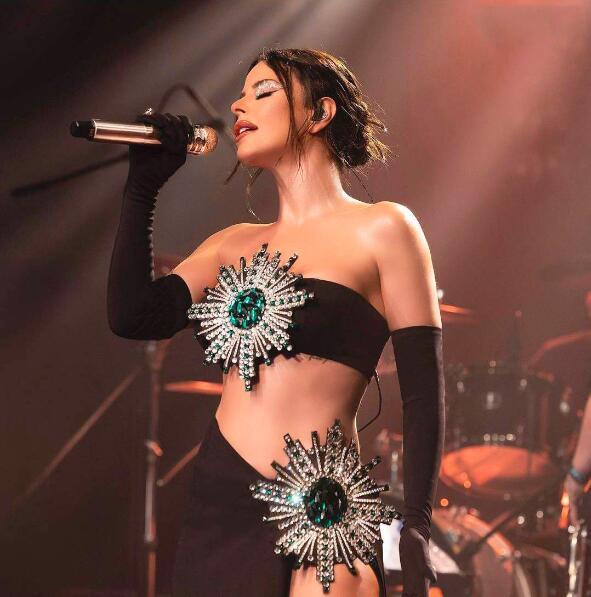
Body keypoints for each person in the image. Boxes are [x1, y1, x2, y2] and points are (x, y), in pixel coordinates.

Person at [107, 47, 445, 597]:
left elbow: (422, 394)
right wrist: (142, 189)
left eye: (263, 91)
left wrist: (417, 526)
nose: (238, 106)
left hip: (325, 512)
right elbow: (132, 316)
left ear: (320, 113)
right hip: (220, 503)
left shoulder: (386, 229)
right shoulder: (229, 245)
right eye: (240, 93)